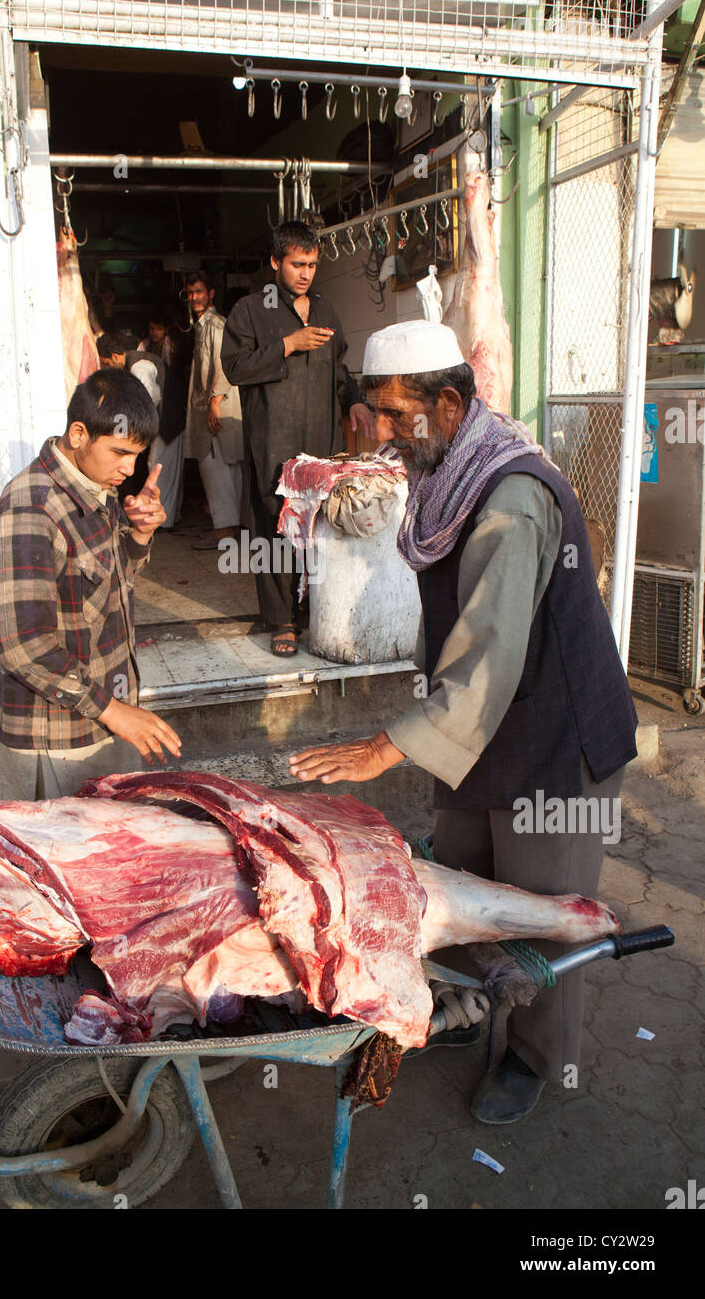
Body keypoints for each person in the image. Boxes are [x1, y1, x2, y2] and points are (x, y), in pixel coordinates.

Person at [288, 320, 638, 1124]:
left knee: (547, 912)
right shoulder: (450, 472)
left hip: (556, 740)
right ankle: (477, 1004)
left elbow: (487, 657)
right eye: (371, 412)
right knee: (460, 886)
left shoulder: (510, 497)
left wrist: (385, 747)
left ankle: (533, 1056)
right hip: (481, 730)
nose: (380, 434)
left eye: (393, 413)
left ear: (447, 404)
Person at [0, 368, 182, 800]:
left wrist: (140, 535)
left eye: (137, 455)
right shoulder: (31, 507)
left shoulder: (96, 487)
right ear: (79, 434)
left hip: (101, 713)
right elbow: (23, 647)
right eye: (118, 452)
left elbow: (114, 584)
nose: (128, 468)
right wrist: (116, 713)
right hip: (56, 735)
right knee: (59, 858)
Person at [221, 221, 374, 653]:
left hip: (319, 447)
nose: (305, 273)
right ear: (275, 263)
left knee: (317, 526)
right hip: (271, 442)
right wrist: (288, 344)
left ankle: (316, 609)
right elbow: (235, 368)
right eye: (296, 264)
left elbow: (340, 368)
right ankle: (282, 620)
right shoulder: (250, 310)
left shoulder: (326, 310)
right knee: (274, 528)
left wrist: (355, 401)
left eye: (311, 264)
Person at [182, 270, 243, 549]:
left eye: (199, 292)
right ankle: (227, 529)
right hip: (208, 408)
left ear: (211, 294)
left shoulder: (216, 325)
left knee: (217, 469)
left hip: (218, 408)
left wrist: (215, 404)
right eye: (191, 292)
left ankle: (225, 532)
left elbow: (223, 365)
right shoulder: (202, 325)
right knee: (217, 470)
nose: (194, 297)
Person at [138, 311, 189, 528]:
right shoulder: (143, 348)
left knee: (162, 464)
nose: (154, 333)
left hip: (170, 410)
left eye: (158, 328)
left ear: (166, 329)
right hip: (160, 414)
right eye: (151, 328)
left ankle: (168, 515)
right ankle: (166, 514)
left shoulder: (175, 348)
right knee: (159, 464)